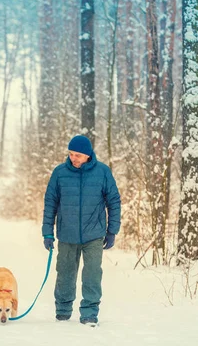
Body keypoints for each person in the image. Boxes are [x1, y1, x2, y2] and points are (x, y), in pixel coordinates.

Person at [41, 134, 121, 326]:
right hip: (67, 234)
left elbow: (114, 201)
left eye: (77, 155)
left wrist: (112, 231)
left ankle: (89, 313)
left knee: (92, 274)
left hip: (94, 234)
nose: (73, 158)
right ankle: (62, 311)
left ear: (87, 155)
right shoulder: (59, 173)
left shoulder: (102, 172)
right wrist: (47, 232)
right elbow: (50, 202)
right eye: (70, 154)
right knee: (65, 273)